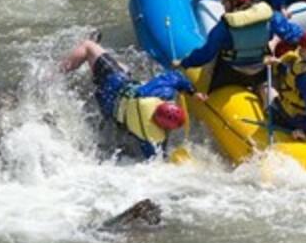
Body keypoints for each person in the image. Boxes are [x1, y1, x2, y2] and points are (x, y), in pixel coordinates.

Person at [61, 38, 207, 159]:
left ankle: (57, 72)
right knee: (123, 70)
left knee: (89, 46)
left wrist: (192, 92)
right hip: (109, 109)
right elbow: (155, 161)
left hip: (114, 83)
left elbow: (175, 77)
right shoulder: (152, 139)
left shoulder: (154, 93)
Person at [178, 0, 303, 93]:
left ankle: (210, 98)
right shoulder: (271, 17)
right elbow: (293, 35)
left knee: (214, 61)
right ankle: (268, 97)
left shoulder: (224, 27)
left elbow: (206, 54)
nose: (223, 5)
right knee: (267, 81)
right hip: (261, 68)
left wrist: (185, 63)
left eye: (225, 2)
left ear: (234, 2)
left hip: (232, 72)